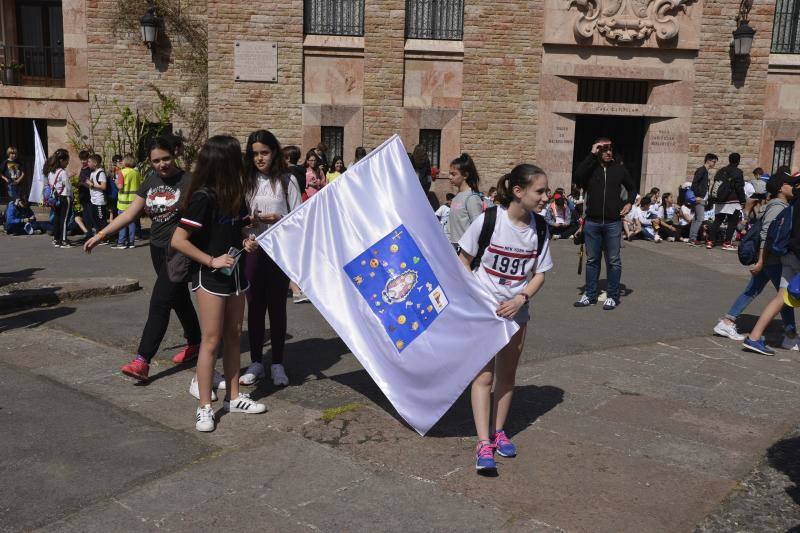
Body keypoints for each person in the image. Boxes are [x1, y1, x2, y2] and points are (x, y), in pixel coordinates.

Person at [84, 138, 209, 388]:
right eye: (155, 161)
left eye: (165, 158)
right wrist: (100, 235)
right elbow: (131, 213)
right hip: (157, 249)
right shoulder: (151, 180)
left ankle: (142, 361)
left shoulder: (190, 181)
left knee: (160, 301)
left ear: (175, 154)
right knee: (177, 298)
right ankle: (196, 342)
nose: (161, 164)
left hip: (179, 251)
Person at [457, 164, 552, 472]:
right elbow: (463, 261)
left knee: (507, 375)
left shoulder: (540, 228)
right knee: (483, 377)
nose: (545, 197)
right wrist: (474, 300)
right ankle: (483, 443)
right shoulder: (489, 220)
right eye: (540, 191)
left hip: (516, 314)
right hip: (483, 313)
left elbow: (540, 274)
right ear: (518, 191)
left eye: (545, 191)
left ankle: (499, 432)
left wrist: (521, 298)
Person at [171, 135, 266, 432]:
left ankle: (234, 397)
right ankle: (204, 407)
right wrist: (211, 261)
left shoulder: (235, 194)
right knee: (211, 341)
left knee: (235, 335)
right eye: (237, 155)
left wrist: (246, 242)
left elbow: (235, 232)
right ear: (223, 160)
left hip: (236, 276)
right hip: (210, 277)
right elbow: (179, 240)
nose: (243, 160)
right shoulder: (203, 197)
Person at [240, 130, 301, 387]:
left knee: (277, 307)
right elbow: (237, 217)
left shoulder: (288, 181)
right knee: (253, 307)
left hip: (278, 251)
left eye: (264, 152)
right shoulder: (246, 181)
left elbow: (300, 218)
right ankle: (256, 361)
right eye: (254, 154)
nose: (259, 158)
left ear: (274, 152)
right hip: (253, 250)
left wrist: (278, 219)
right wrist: (245, 233)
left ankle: (277, 363)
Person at [716, 171, 798, 345]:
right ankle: (790, 336)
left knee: (753, 290)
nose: (794, 188)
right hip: (772, 259)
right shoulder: (778, 206)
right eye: (790, 185)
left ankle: (727, 321)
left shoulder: (774, 204)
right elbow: (766, 234)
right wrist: (761, 260)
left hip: (768, 258)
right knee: (785, 297)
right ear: (782, 188)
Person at [573, 138, 636, 310]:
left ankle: (613, 296)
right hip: (592, 222)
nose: (608, 152)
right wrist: (591, 155)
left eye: (610, 149)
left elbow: (632, 188)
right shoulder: (591, 168)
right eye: (603, 149)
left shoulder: (619, 170)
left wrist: (629, 202)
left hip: (613, 222)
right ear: (598, 151)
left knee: (614, 260)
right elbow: (578, 178)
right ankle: (590, 295)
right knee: (592, 260)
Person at [743, 170, 800, 356]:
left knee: (781, 298)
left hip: (788, 254)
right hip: (798, 256)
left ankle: (754, 336)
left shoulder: (794, 203)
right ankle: (789, 336)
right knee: (783, 298)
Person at [706, 153, 746, 251]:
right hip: (732, 201)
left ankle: (710, 241)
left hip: (720, 200)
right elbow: (739, 187)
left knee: (718, 221)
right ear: (738, 161)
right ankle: (727, 243)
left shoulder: (721, 170)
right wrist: (743, 200)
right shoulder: (738, 172)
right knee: (732, 222)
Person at [448, 153, 483, 251]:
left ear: (465, 175)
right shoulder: (457, 197)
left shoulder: (472, 198)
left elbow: (478, 228)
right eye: (450, 173)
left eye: (453, 174)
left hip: (465, 250)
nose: (450, 177)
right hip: (453, 247)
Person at [45, 148, 74, 248]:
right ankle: (64, 240)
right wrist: (72, 196)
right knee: (65, 219)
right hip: (65, 197)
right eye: (67, 161)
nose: (67, 163)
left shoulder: (50, 172)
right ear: (62, 161)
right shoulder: (62, 172)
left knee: (57, 218)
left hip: (55, 198)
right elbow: (68, 186)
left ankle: (56, 239)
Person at [113, 154, 143, 249]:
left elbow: (120, 187)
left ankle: (121, 242)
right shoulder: (136, 173)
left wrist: (116, 182)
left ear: (125, 162)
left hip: (123, 202)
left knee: (122, 222)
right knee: (132, 222)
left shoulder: (122, 172)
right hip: (133, 202)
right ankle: (131, 242)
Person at [689, 154, 718, 246]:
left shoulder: (705, 171)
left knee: (696, 219)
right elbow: (694, 184)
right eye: (713, 161)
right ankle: (693, 239)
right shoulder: (701, 170)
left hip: (702, 198)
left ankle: (692, 238)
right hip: (699, 198)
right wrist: (697, 196)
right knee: (700, 219)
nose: (714, 163)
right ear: (708, 160)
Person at [86, 154, 109, 238]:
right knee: (95, 219)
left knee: (101, 219)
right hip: (93, 200)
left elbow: (103, 186)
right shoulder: (93, 173)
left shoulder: (101, 173)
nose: (87, 163)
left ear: (95, 163)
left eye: (89, 161)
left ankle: (105, 238)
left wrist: (92, 185)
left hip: (100, 200)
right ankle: (99, 236)